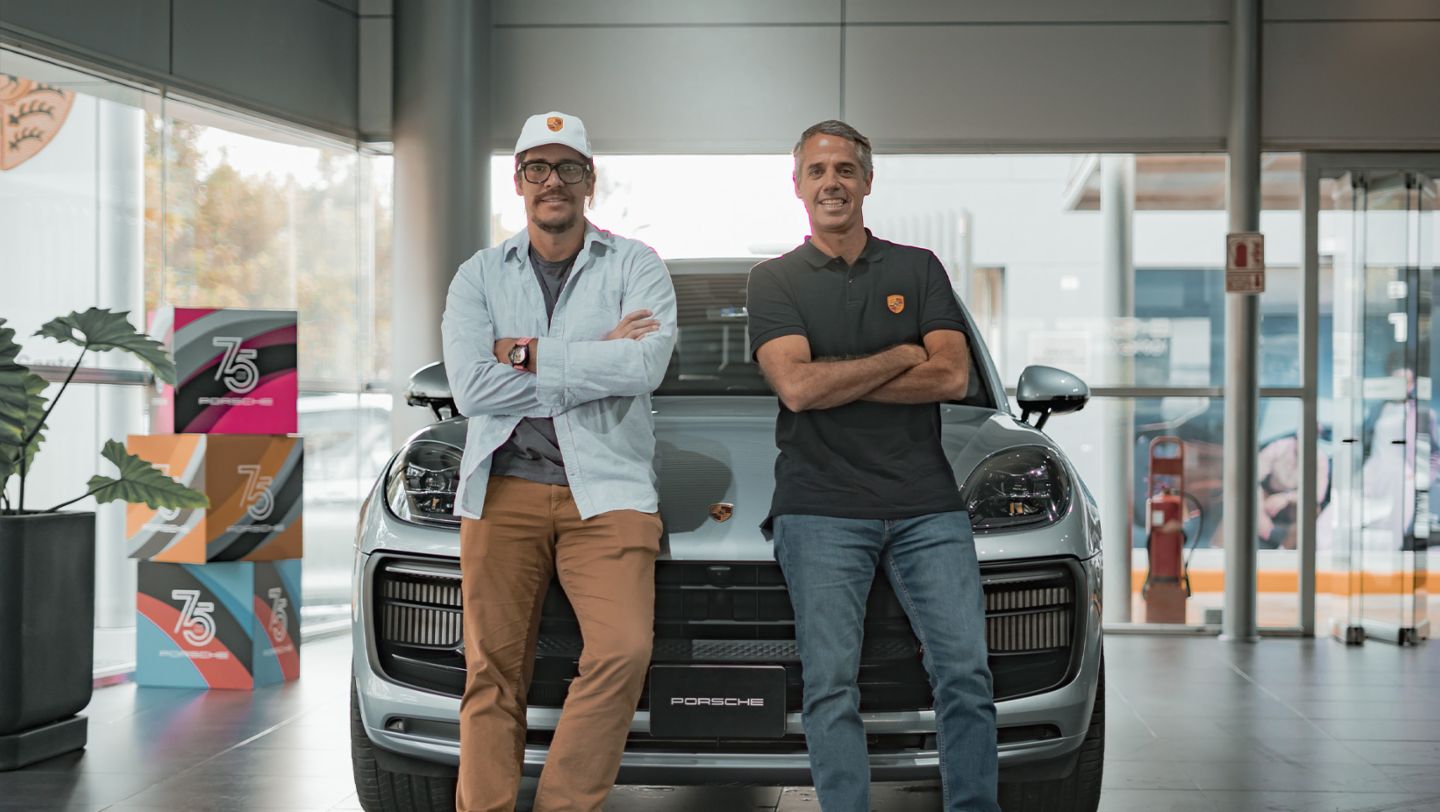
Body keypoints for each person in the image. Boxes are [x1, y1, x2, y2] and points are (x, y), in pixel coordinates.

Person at [746, 120, 999, 812]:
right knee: (830, 685)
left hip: (927, 505)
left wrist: (838, 377)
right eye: (818, 171)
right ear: (798, 185)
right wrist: (898, 354)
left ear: (867, 180)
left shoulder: (917, 269)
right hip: (819, 506)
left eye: (845, 170)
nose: (832, 182)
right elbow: (795, 388)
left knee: (966, 674)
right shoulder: (774, 281)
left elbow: (951, 376)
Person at [441, 111, 677, 812]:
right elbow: (471, 386)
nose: (553, 182)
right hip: (503, 487)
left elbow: (645, 365)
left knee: (624, 651)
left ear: (589, 182)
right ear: (518, 182)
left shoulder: (636, 263)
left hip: (607, 492)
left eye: (568, 168)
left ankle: (563, 805)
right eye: (538, 168)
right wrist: (597, 351)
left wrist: (526, 351)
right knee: (491, 673)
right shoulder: (479, 275)